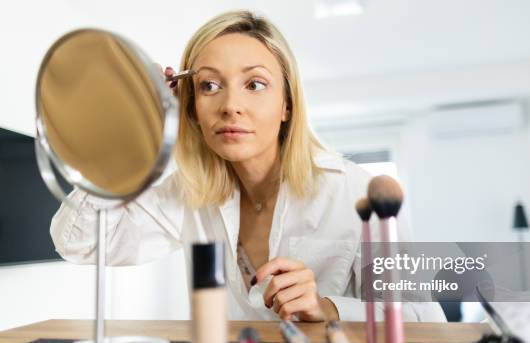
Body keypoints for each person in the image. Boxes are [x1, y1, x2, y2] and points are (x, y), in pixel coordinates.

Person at [50, 10, 445, 322]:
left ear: (287, 104)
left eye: (254, 84)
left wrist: (329, 309)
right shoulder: (188, 195)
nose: (230, 106)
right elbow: (79, 242)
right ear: (191, 107)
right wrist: (133, 131)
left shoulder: (359, 193)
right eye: (209, 85)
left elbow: (424, 318)